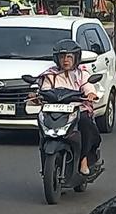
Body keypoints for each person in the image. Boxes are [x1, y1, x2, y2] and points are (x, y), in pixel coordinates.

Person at [37, 40, 101, 176]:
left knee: (85, 122)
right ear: (57, 59)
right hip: (54, 110)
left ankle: (83, 158)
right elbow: (44, 89)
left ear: (76, 58)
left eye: (69, 57)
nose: (65, 60)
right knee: (42, 126)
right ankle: (45, 165)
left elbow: (88, 86)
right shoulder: (49, 75)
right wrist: (37, 96)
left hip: (77, 108)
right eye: (62, 57)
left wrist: (90, 93)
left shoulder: (81, 73)